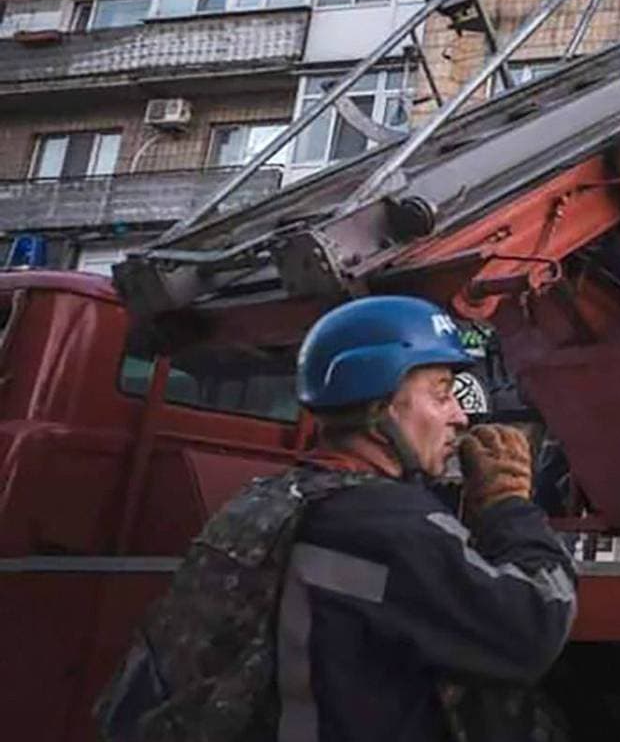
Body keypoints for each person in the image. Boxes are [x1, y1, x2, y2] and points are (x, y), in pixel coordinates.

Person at [97, 295, 577, 742]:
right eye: (441, 392)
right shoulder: (386, 525)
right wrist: (509, 504)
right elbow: (533, 626)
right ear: (379, 404)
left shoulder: (265, 499)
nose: (459, 415)